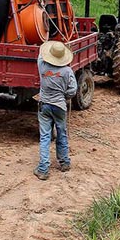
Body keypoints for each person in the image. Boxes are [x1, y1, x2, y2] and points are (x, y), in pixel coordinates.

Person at [34, 41, 76, 180]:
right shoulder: (67, 71)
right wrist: (64, 96)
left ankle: (43, 169)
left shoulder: (42, 66)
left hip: (44, 105)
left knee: (45, 136)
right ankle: (64, 163)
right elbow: (72, 90)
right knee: (62, 133)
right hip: (59, 107)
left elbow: (40, 54)